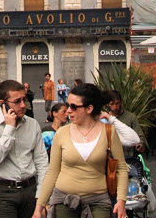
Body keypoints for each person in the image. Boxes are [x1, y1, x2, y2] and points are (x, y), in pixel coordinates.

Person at [33, 83, 128, 218]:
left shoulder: (108, 132)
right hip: (64, 200)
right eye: (67, 106)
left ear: (89, 108)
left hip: (98, 200)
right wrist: (39, 206)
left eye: (73, 107)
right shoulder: (62, 133)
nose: (68, 111)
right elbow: (52, 171)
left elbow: (121, 169)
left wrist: (121, 200)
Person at [0, 79, 50, 218]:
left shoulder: (32, 124)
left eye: (24, 99)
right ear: (3, 103)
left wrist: (41, 199)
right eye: (17, 101)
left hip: (31, 189)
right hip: (4, 192)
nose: (23, 105)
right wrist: (9, 128)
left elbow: (42, 163)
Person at [105, 90, 145, 154]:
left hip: (128, 157)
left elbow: (140, 135)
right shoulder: (104, 119)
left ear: (121, 102)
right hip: (111, 158)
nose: (115, 107)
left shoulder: (131, 117)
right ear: (107, 104)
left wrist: (140, 144)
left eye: (117, 103)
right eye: (112, 104)